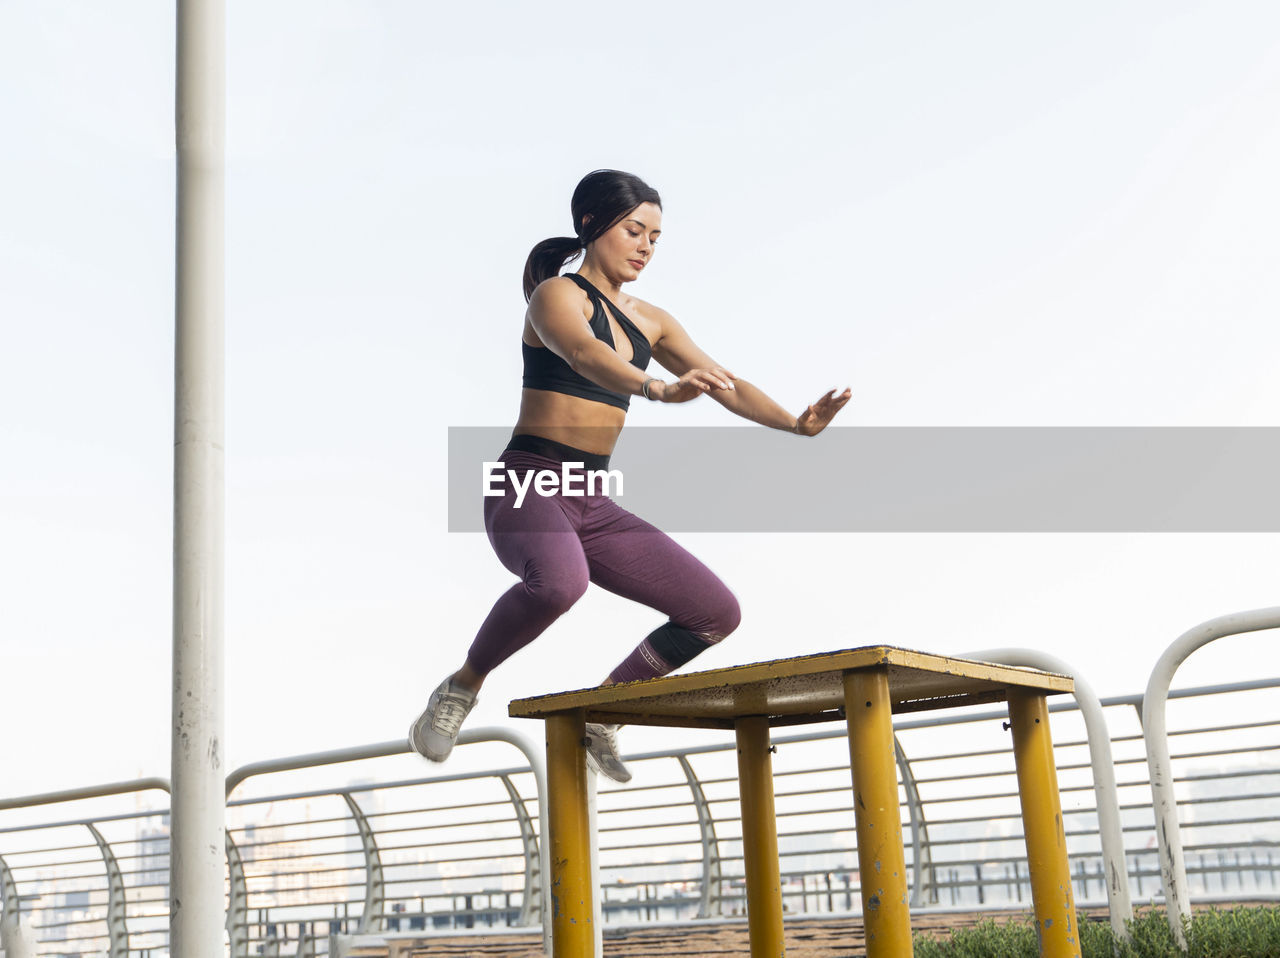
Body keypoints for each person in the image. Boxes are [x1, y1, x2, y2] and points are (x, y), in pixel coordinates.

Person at [410, 170, 850, 782]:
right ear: (592, 227)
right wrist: (657, 388)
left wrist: (796, 425)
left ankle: (605, 712)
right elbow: (587, 355)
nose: (645, 245)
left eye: (656, 237)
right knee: (562, 584)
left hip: (592, 499)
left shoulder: (653, 320)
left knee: (715, 612)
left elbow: (728, 383)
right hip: (528, 484)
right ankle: (461, 687)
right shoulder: (556, 297)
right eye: (633, 230)